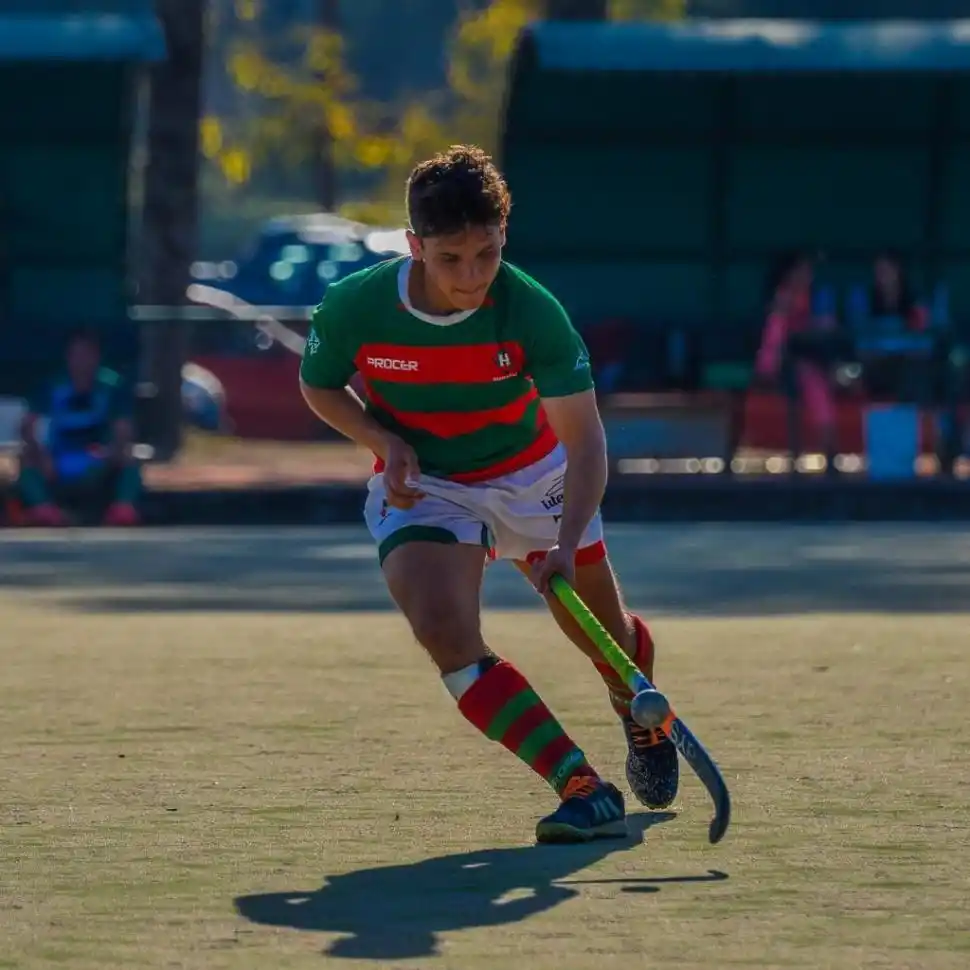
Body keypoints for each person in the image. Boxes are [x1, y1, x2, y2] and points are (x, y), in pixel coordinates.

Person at [299, 145, 678, 844]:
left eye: (488, 253)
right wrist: (384, 443)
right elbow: (319, 384)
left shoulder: (532, 312)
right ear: (414, 246)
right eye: (451, 260)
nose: (472, 277)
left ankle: (636, 709)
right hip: (433, 487)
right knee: (444, 631)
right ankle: (581, 786)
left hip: (536, 479)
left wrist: (563, 543)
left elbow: (587, 443)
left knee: (606, 637)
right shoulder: (356, 306)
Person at [15, 327, 142, 526]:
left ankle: (122, 508)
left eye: (87, 354)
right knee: (25, 458)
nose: (82, 361)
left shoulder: (113, 386)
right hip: (59, 458)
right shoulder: (52, 386)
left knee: (130, 458)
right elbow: (28, 427)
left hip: (98, 457)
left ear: (97, 356)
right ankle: (43, 508)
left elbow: (123, 428)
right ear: (68, 357)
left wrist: (112, 452)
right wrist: (42, 456)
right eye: (77, 355)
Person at [754, 251, 842, 471]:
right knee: (811, 385)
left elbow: (823, 332)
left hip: (813, 361)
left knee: (825, 382)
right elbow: (776, 339)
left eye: (808, 271)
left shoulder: (814, 298)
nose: (806, 275)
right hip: (781, 366)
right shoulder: (782, 298)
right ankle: (821, 454)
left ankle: (829, 453)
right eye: (801, 270)